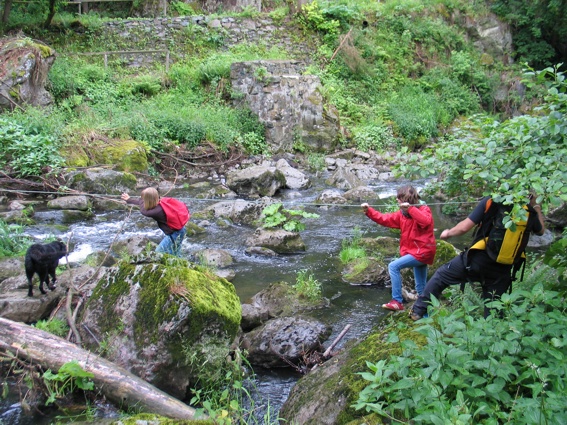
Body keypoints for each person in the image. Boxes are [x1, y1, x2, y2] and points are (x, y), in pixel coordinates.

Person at [410, 194, 545, 321]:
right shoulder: (528, 211)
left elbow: (464, 228)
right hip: (503, 267)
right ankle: (492, 337)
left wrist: (448, 233)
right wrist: (536, 206)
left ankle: (418, 311)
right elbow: (540, 231)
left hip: (478, 260)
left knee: (441, 275)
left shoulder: (492, 201)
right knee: (494, 309)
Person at [361, 185, 436, 311]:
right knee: (421, 288)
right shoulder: (402, 215)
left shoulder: (424, 209)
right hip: (417, 252)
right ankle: (426, 311)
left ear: (406, 198)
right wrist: (369, 211)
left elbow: (425, 222)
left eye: (399, 198)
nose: (397, 200)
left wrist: (411, 209)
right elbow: (384, 219)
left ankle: (397, 301)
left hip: (423, 251)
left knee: (393, 266)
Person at [121, 188, 187, 257]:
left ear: (148, 200)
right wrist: (129, 200)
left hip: (174, 234)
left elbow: (143, 210)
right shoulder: (159, 202)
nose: (141, 199)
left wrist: (134, 200)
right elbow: (142, 203)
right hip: (180, 230)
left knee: (158, 252)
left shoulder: (156, 211)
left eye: (143, 199)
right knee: (175, 251)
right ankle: (178, 264)